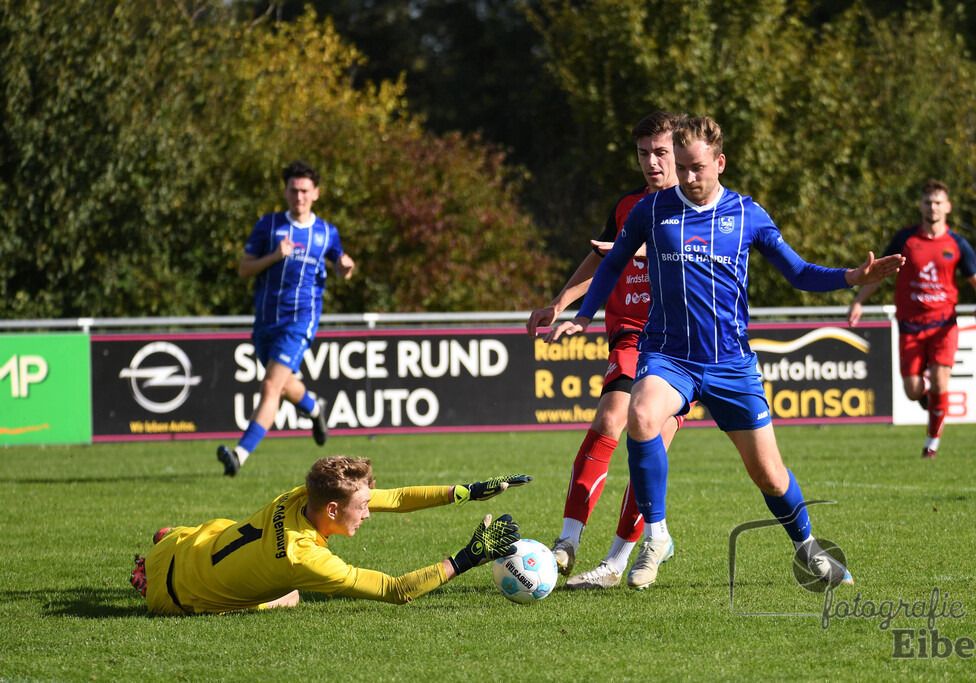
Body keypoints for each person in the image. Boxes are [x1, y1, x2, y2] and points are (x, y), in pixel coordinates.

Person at [546, 115, 906, 590]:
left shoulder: (747, 214)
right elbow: (612, 262)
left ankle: (808, 548)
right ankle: (655, 536)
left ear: (720, 162)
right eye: (682, 166)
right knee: (640, 415)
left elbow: (797, 272)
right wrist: (585, 313)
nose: (689, 177)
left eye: (697, 167)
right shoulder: (651, 211)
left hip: (730, 364)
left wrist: (851, 278)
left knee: (771, 477)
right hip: (669, 355)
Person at [527, 111, 687, 590]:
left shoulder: (700, 209)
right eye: (644, 153)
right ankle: (567, 542)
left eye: (661, 152)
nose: (652, 162)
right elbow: (602, 257)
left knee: (651, 443)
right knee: (610, 421)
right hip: (632, 332)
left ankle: (620, 560)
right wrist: (559, 304)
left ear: (681, 153)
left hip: (682, 344)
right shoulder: (628, 207)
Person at [129, 457, 530, 614]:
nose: (370, 512)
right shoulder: (305, 559)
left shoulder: (299, 496)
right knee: (290, 595)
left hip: (180, 548)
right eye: (363, 507)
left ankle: (165, 545)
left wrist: (467, 491)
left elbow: (397, 498)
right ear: (334, 510)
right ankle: (154, 575)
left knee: (231, 533)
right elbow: (396, 590)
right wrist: (466, 558)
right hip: (177, 601)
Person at [217, 161, 356, 476]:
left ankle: (239, 455)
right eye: (293, 190)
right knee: (283, 384)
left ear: (316, 194)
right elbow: (244, 269)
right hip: (266, 323)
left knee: (270, 386)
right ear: (285, 192)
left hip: (299, 322)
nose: (299, 196)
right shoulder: (268, 226)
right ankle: (315, 408)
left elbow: (340, 265)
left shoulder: (325, 232)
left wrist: (345, 267)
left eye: (305, 190)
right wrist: (274, 256)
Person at [848, 179, 976, 458]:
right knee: (913, 390)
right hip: (910, 326)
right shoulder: (905, 240)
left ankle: (931, 445)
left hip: (943, 325)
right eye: (928, 202)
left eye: (938, 202)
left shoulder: (958, 244)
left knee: (940, 382)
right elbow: (879, 273)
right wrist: (858, 302)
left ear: (947, 207)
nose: (933, 207)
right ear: (920, 206)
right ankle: (929, 399)